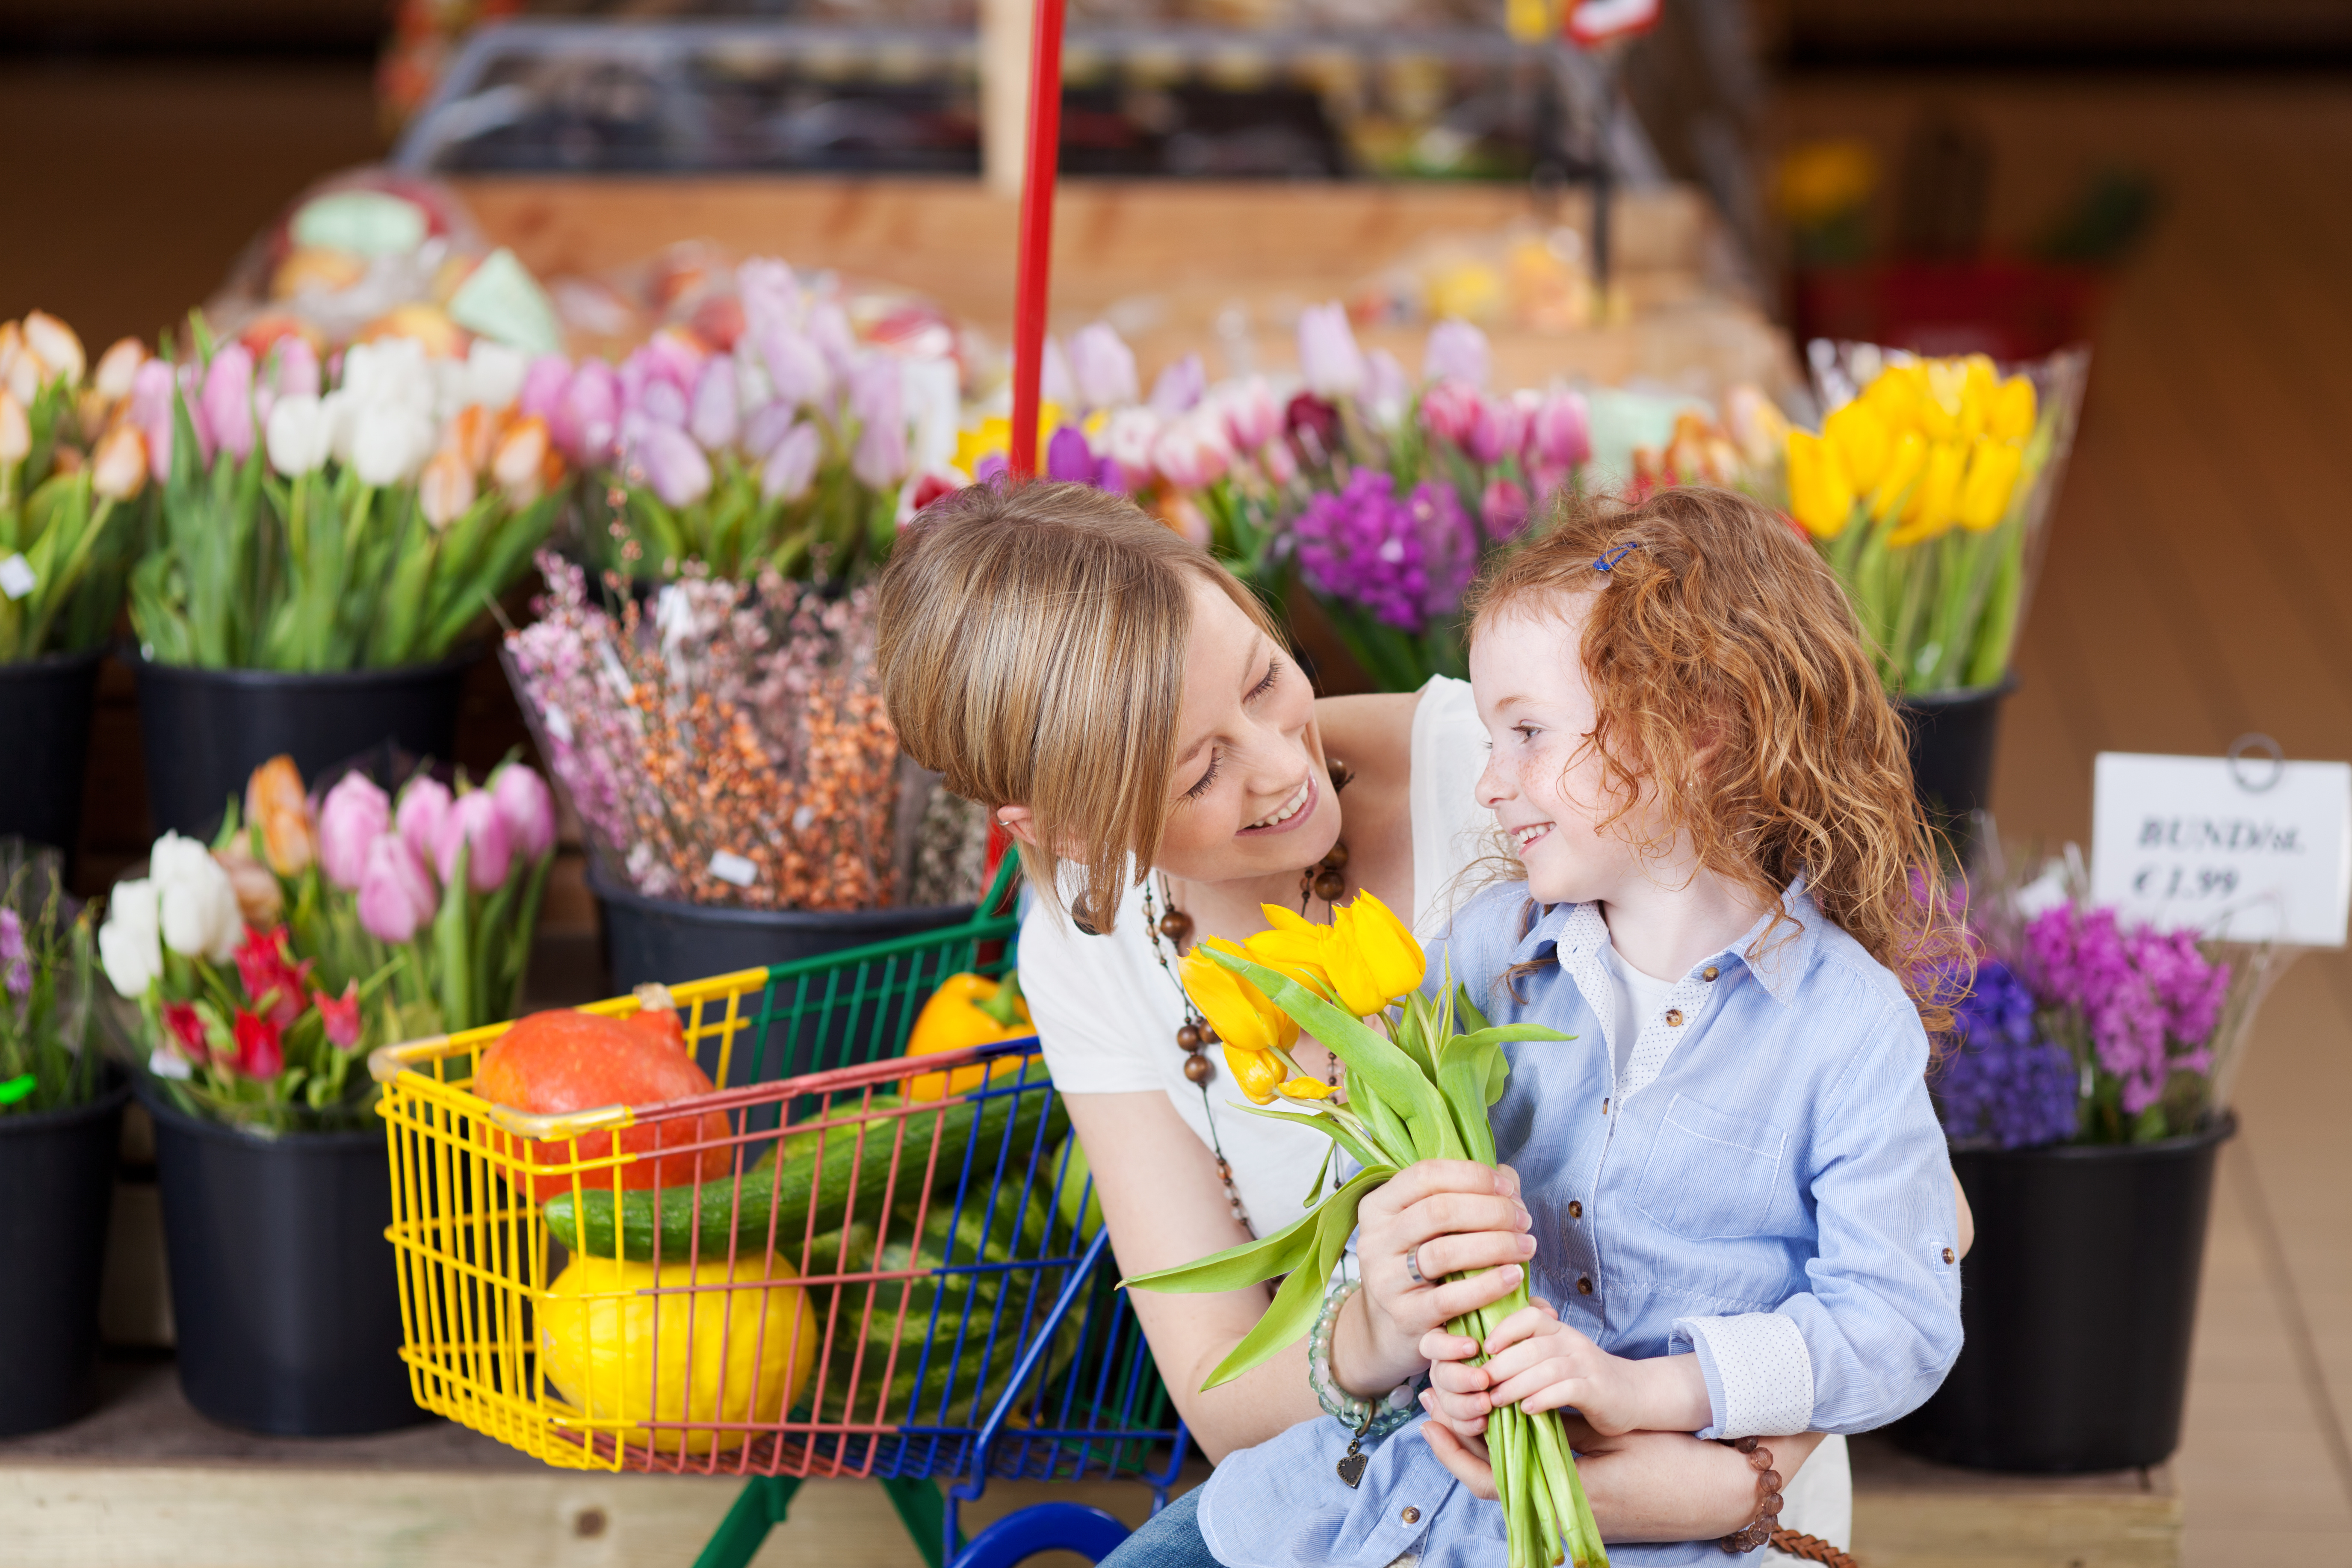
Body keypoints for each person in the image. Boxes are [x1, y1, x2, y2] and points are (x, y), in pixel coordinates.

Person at [875, 482, 1918, 1560]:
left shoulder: (1529, 767)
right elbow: (1222, 1397)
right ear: (1066, 829)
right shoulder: (1088, 948)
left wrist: (1720, 1486)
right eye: (1199, 772)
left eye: (1262, 679)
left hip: (1703, 1482)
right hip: (1384, 1488)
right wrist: (1374, 1327)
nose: (1280, 765)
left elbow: (1902, 1224)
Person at [1191, 486, 1968, 1565]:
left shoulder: (1843, 1027)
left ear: (1694, 731)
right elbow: (1386, 1229)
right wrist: (1414, 1310)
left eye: (1525, 733)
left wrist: (1643, 1388)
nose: (1490, 781)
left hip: (1651, 1536)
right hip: (1391, 1496)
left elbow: (1898, 1322)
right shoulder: (1482, 955)